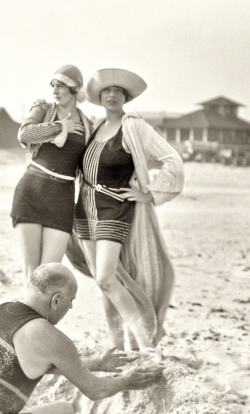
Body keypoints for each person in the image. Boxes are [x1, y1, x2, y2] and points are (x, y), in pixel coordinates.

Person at [0, 263, 163, 414]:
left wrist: (98, 363)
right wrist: (127, 381)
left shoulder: (1, 311)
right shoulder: (47, 335)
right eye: (71, 301)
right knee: (70, 412)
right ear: (56, 299)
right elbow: (96, 390)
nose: (71, 308)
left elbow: (30, 365)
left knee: (63, 410)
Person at [72, 68, 184, 359]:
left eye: (118, 92)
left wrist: (149, 194)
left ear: (125, 97)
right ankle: (119, 345)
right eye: (106, 91)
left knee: (106, 278)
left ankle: (145, 343)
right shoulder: (95, 126)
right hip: (84, 210)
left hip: (115, 208)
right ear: (99, 97)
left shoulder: (134, 127)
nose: (111, 95)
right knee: (105, 282)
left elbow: (172, 159)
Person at [11, 65, 93, 287]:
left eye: (61, 86)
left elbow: (91, 165)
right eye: (53, 85)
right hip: (31, 192)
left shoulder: (88, 125)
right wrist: (59, 127)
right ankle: (31, 321)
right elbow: (24, 134)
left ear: (74, 89)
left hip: (62, 199)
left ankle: (38, 320)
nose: (55, 91)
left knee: (48, 275)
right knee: (31, 272)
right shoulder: (43, 108)